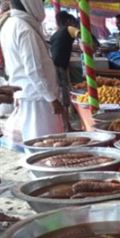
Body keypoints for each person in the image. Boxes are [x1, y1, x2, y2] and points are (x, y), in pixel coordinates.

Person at [0, 0, 64, 147]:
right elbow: (34, 69)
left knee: (34, 141)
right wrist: (52, 99)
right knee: (46, 144)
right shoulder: (24, 28)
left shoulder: (10, 24)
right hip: (38, 98)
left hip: (28, 95)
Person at [50, 11, 78, 131]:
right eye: (72, 21)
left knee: (61, 95)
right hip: (60, 67)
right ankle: (67, 127)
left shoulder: (55, 34)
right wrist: (93, 44)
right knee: (64, 96)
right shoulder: (69, 29)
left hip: (53, 66)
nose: (74, 24)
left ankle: (66, 125)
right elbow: (84, 35)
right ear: (68, 21)